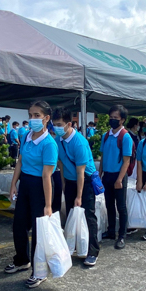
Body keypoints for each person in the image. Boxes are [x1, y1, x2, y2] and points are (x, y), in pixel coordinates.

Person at [6, 101, 57, 288]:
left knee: (38, 230)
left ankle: (39, 271)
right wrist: (13, 184)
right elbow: (20, 161)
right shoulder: (27, 135)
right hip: (25, 183)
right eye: (31, 114)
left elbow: (46, 176)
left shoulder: (49, 143)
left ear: (46, 118)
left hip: (40, 187)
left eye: (37, 115)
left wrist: (48, 204)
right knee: (19, 224)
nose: (33, 118)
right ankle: (22, 260)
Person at [52, 108, 99, 266]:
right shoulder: (58, 141)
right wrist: (65, 184)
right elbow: (62, 164)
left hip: (84, 182)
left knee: (88, 215)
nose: (56, 127)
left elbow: (81, 172)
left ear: (69, 124)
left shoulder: (79, 142)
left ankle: (93, 251)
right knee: (73, 215)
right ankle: (76, 247)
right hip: (70, 181)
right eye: (54, 124)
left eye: (59, 124)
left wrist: (79, 196)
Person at [98, 105, 133, 250]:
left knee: (121, 206)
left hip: (119, 176)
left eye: (115, 118)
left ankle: (122, 236)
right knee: (109, 205)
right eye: (111, 117)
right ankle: (111, 231)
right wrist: (99, 175)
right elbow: (103, 157)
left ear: (122, 120)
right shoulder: (106, 136)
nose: (112, 120)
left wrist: (119, 179)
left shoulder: (125, 136)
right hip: (107, 175)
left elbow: (126, 161)